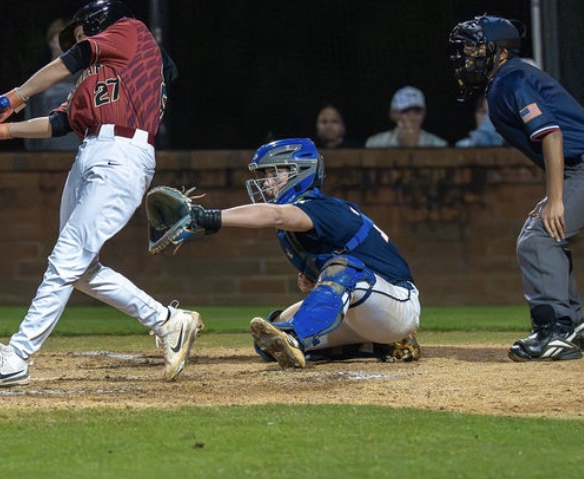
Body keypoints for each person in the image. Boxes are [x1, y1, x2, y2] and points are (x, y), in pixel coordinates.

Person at [0, 0, 201, 388]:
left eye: (82, 31)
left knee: (66, 258)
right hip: (90, 153)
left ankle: (17, 358)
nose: (80, 40)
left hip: (122, 154)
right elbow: (60, 123)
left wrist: (11, 100)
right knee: (81, 270)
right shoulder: (99, 76)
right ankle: (170, 322)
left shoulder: (129, 31)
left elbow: (72, 58)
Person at [450, 15, 584, 361]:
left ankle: (553, 331)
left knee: (537, 238)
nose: (467, 56)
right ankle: (575, 324)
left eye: (475, 47)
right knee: (543, 232)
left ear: (499, 53)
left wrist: (556, 199)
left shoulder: (511, 78)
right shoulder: (505, 80)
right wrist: (552, 197)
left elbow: (551, 133)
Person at [154, 138, 420, 368]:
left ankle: (298, 336)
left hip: (397, 301)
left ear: (301, 172)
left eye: (274, 173)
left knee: (342, 269)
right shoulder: (296, 221)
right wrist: (317, 278)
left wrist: (209, 217)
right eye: (265, 174)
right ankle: (382, 346)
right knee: (268, 341)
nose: (267, 182)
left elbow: (276, 215)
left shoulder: (319, 206)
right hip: (362, 310)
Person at [23, 18, 81, 151]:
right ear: (50, 42)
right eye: (57, 38)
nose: (61, 44)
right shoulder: (39, 77)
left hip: (79, 149)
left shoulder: (88, 75)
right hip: (47, 150)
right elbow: (32, 113)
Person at [364, 86, 448, 148]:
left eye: (417, 112)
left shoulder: (438, 145)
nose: (412, 117)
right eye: (406, 112)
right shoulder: (375, 144)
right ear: (393, 115)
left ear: (424, 113)